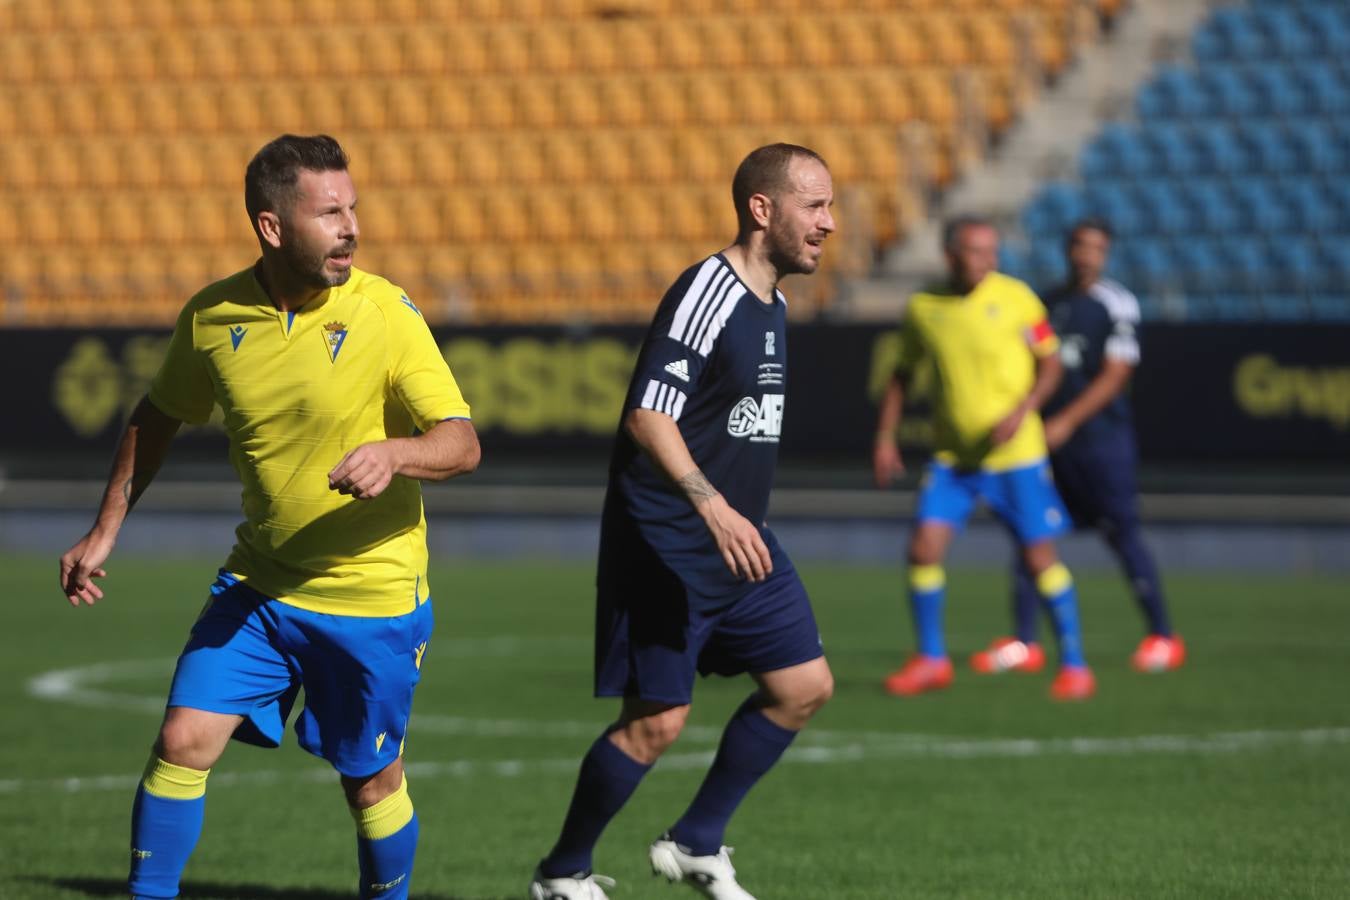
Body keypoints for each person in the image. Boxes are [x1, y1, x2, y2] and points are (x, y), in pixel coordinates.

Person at [57, 134, 480, 900]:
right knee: (182, 741)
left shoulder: (385, 311)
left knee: (372, 785)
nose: (351, 226)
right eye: (329, 212)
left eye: (353, 208)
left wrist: (395, 454)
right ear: (272, 226)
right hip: (259, 587)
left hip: (368, 601)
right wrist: (105, 528)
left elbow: (461, 442)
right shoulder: (213, 317)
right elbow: (156, 417)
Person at [528, 144, 836, 900]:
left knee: (803, 685)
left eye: (831, 206)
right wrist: (712, 504)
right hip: (668, 542)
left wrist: (733, 517)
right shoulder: (710, 290)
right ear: (762, 210)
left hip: (739, 543)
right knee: (656, 725)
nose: (830, 224)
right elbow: (646, 414)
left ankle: (696, 842)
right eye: (815, 205)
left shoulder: (775, 303)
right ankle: (562, 874)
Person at [872, 216, 1095, 701]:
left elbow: (1051, 363)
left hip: (1016, 456)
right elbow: (901, 374)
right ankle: (932, 659)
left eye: (993, 252)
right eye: (977, 251)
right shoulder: (925, 307)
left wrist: (1024, 410)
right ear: (951, 254)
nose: (988, 261)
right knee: (923, 550)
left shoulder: (1017, 298)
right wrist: (886, 436)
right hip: (954, 460)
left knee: (1039, 559)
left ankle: (1074, 664)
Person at [971, 219, 1184, 676]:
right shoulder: (1045, 303)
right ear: (1068, 249)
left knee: (1121, 531)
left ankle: (1163, 636)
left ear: (1105, 254)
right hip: (1046, 443)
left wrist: (1066, 420)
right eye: (1080, 246)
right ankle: (1026, 642)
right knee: (1032, 535)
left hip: (1100, 441)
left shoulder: (1115, 303)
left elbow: (1116, 374)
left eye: (1096, 248)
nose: (1087, 255)